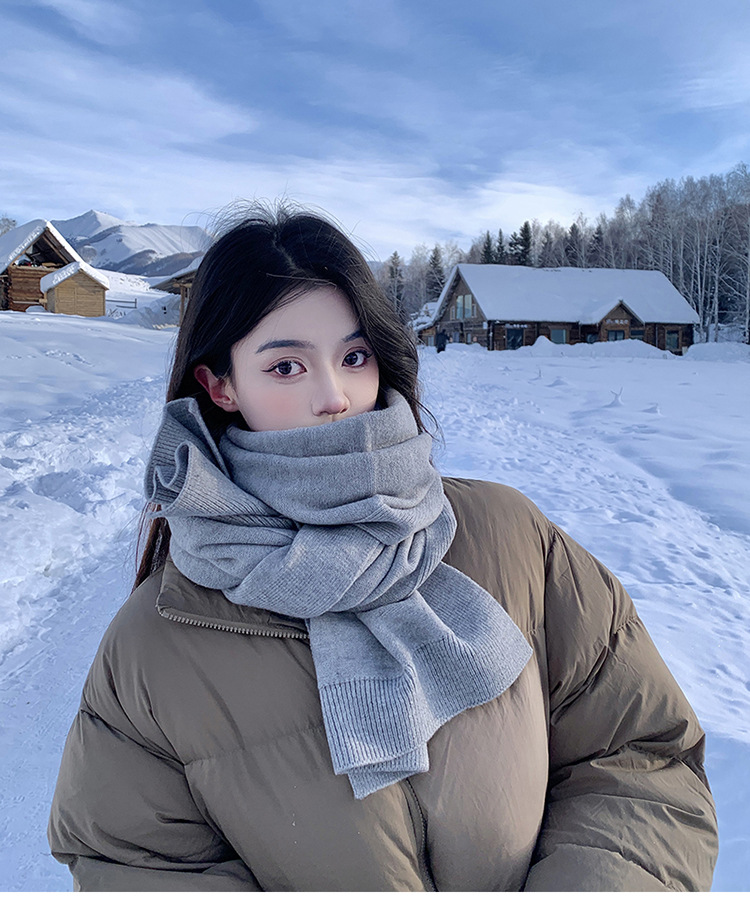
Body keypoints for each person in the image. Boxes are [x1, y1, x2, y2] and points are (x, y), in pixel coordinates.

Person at [48, 203, 718, 892]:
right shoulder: (156, 644)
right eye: (286, 366)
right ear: (221, 386)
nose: (334, 396)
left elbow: (639, 757)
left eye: (354, 356)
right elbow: (137, 867)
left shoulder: (513, 539)